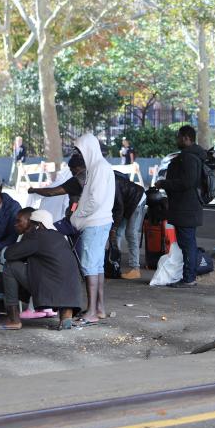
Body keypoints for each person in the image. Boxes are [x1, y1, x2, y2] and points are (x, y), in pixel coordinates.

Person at [0, 209, 84, 331]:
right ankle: (66, 317)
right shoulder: (60, 237)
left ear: (39, 224)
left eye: (31, 224)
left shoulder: (37, 236)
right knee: (59, 274)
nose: (29, 227)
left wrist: (25, 238)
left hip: (53, 289)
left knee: (10, 266)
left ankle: (14, 320)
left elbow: (9, 254)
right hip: (74, 293)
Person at [70, 134, 115, 324]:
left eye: (80, 150)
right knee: (97, 266)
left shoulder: (98, 168)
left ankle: (91, 313)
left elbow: (94, 200)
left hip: (94, 222)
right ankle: (99, 308)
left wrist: (77, 215)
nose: (79, 154)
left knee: (89, 267)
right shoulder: (100, 166)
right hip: (101, 222)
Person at [155, 125, 206, 287]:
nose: (177, 140)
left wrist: (165, 183)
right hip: (187, 207)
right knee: (186, 242)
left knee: (187, 243)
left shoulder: (189, 158)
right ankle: (187, 276)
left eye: (179, 137)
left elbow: (187, 182)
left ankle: (189, 278)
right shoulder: (192, 156)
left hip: (186, 208)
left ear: (186, 138)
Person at [29, 153, 86, 222]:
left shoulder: (75, 181)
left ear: (77, 168)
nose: (72, 173)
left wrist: (34, 190)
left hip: (80, 219)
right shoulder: (91, 175)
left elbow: (51, 192)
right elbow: (75, 202)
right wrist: (72, 211)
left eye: (72, 170)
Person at [112, 172, 147, 280]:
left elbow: (119, 207)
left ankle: (135, 269)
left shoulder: (111, 182)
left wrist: (113, 227)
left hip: (137, 199)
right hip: (126, 201)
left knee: (130, 233)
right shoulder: (104, 178)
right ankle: (114, 264)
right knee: (117, 233)